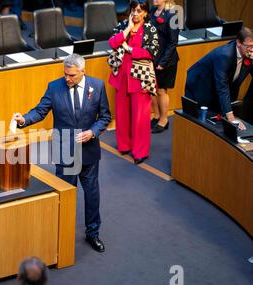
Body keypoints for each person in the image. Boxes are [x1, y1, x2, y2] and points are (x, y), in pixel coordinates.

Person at [14, 54, 111, 253]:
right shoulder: (54, 87)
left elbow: (105, 116)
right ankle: (61, 233)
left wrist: (92, 132)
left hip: (88, 152)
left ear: (83, 71)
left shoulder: (98, 86)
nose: (68, 79)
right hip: (64, 151)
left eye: (72, 75)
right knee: (65, 194)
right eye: (66, 74)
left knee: (92, 194)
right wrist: (23, 120)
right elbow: (40, 111)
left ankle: (93, 233)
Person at [108, 0, 159, 165]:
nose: (135, 14)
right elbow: (113, 43)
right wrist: (128, 28)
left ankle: (140, 151)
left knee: (140, 116)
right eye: (133, 10)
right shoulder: (123, 25)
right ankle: (124, 145)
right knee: (121, 113)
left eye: (139, 11)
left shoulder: (150, 29)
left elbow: (151, 51)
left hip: (140, 77)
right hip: (122, 75)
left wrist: (130, 49)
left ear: (145, 13)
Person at [185, 27, 253, 131]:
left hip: (216, 88)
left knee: (219, 123)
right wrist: (231, 118)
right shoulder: (225, 55)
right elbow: (222, 87)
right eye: (249, 46)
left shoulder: (249, 54)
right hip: (200, 86)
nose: (252, 50)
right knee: (199, 125)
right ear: (239, 42)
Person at [150, 0, 179, 134]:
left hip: (166, 59)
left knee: (161, 90)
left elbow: (173, 42)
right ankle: (156, 116)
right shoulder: (152, 11)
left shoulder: (173, 14)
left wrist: (163, 62)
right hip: (152, 58)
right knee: (152, 90)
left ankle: (163, 120)